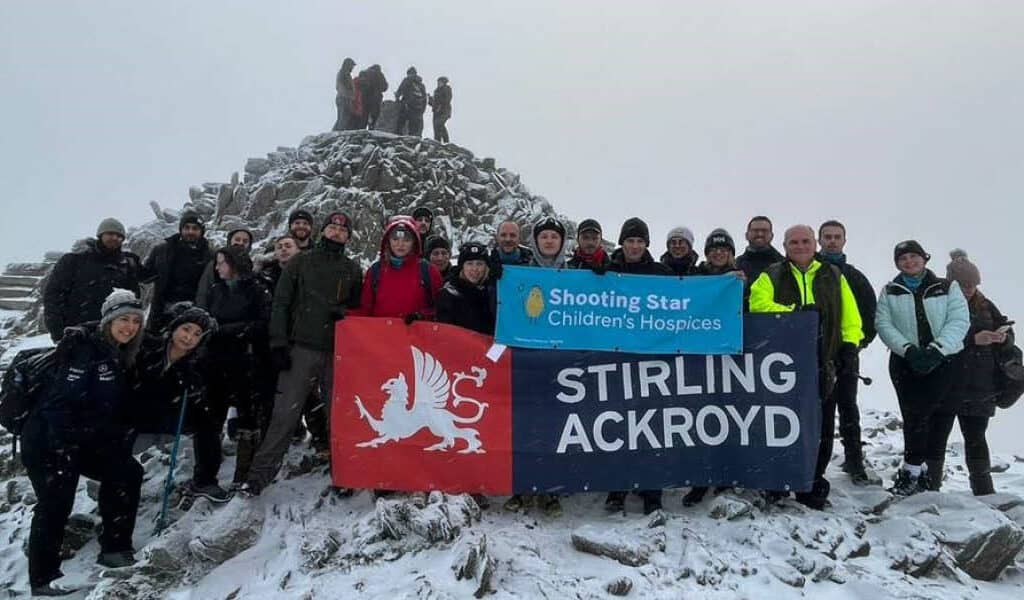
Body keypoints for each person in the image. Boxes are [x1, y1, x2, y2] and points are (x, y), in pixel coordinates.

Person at [21, 289, 145, 596]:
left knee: (126, 471)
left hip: (78, 439)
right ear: (108, 320)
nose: (129, 326)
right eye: (122, 319)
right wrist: (68, 447)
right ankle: (43, 579)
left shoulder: (116, 351)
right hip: (47, 440)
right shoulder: (84, 350)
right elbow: (57, 406)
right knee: (55, 503)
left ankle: (115, 548)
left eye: (134, 321)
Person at [241, 212, 363, 497]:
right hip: (301, 348)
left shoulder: (353, 269)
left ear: (348, 237)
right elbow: (281, 303)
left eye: (342, 230)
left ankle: (343, 473)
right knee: (284, 415)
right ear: (323, 231)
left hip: (336, 352)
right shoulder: (300, 262)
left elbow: (359, 309)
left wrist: (344, 313)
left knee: (340, 416)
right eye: (331, 228)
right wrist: (279, 344)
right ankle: (258, 477)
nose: (336, 233)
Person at [749, 225, 864, 509]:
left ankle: (811, 480)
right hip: (781, 367)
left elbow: (851, 316)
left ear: (815, 245)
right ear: (785, 246)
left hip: (824, 364)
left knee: (821, 426)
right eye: (794, 242)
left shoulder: (834, 276)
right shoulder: (772, 274)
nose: (800, 246)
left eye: (805, 241)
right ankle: (778, 480)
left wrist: (850, 345)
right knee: (781, 423)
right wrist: (794, 315)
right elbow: (757, 304)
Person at [875, 240, 970, 496]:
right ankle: (913, 470)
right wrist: (908, 349)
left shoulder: (947, 287)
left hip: (944, 360)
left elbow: (959, 320)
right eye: (903, 258)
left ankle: (924, 472)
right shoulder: (890, 290)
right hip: (905, 362)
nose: (909, 262)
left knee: (937, 417)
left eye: (913, 256)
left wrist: (937, 350)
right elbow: (883, 324)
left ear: (924, 259)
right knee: (914, 415)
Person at [603, 218, 672, 515]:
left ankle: (651, 489)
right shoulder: (606, 272)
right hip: (615, 359)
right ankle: (617, 487)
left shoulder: (662, 274)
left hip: (652, 360)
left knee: (651, 425)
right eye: (629, 241)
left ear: (646, 244)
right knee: (618, 424)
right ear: (622, 243)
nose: (634, 246)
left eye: (639, 241)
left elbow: (689, 301)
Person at [930, 250, 1012, 495]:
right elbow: (936, 337)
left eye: (973, 284)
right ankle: (930, 488)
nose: (969, 289)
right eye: (964, 284)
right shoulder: (939, 302)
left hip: (980, 386)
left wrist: (1003, 336)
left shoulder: (986, 304)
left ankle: (984, 490)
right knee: (937, 436)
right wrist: (973, 339)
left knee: (976, 438)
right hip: (947, 384)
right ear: (952, 282)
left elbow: (1005, 329)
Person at [503, 215, 570, 516]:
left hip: (560, 361)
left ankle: (551, 490)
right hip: (526, 358)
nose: (549, 241)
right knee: (523, 424)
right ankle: (521, 487)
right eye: (544, 236)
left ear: (561, 242)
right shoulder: (519, 273)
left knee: (555, 426)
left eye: (554, 237)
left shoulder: (575, 275)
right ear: (535, 240)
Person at [197, 246, 272, 494]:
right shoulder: (215, 290)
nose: (217, 268)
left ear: (234, 264)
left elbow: (263, 323)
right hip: (216, 362)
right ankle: (205, 478)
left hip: (247, 361)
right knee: (210, 421)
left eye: (221, 263)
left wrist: (227, 330)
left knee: (247, 420)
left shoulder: (256, 289)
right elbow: (206, 320)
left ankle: (244, 475)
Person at [681, 228, 746, 507]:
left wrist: (741, 289)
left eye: (724, 249)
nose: (718, 253)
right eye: (713, 249)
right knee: (698, 420)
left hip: (730, 357)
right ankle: (699, 479)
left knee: (727, 418)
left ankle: (725, 475)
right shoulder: (694, 279)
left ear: (731, 253)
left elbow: (752, 313)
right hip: (697, 358)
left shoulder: (741, 279)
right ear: (706, 253)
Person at [817, 220, 878, 484]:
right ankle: (817, 463)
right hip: (816, 354)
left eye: (836, 237)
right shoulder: (810, 271)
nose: (831, 241)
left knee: (848, 407)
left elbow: (869, 315)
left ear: (844, 240)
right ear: (820, 240)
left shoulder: (855, 277)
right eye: (827, 237)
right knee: (822, 410)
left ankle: (855, 461)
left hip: (847, 355)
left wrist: (856, 345)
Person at [43, 218, 141, 342]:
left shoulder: (126, 266)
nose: (115, 238)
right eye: (110, 234)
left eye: (119, 236)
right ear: (100, 235)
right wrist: (57, 331)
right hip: (77, 333)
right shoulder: (74, 261)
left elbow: (133, 299)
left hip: (113, 335)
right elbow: (53, 296)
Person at [133, 304, 213, 452]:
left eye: (197, 334)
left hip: (159, 434)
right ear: (174, 328)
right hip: (125, 423)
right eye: (186, 329)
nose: (189, 338)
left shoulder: (194, 371)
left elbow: (199, 416)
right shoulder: (146, 348)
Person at [352, 217, 443, 321]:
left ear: (414, 242)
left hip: (417, 335)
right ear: (388, 241)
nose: (400, 244)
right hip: (381, 335)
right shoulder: (375, 271)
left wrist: (422, 316)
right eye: (395, 239)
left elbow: (441, 309)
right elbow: (365, 310)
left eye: (407, 240)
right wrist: (343, 316)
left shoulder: (428, 271)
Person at [140, 211, 214, 333]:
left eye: (195, 228)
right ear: (181, 229)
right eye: (187, 228)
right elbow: (146, 276)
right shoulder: (162, 250)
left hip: (194, 312)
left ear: (201, 231)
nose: (190, 232)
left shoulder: (210, 255)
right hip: (162, 311)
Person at [436, 242, 495, 335]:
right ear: (462, 267)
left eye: (479, 264)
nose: (474, 269)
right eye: (469, 264)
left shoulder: (492, 292)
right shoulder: (449, 294)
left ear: (486, 267)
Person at [195, 227, 253, 307]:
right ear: (230, 242)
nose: (241, 243)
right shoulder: (215, 264)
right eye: (237, 239)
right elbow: (203, 291)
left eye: (245, 241)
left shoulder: (251, 266)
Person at [736, 216, 785, 283]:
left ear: (772, 236)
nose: (760, 234)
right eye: (755, 231)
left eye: (764, 231)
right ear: (746, 235)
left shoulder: (784, 264)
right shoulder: (736, 266)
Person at [394, 66, 428, 137]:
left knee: (400, 122)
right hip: (418, 107)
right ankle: (412, 139)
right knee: (413, 126)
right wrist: (422, 110)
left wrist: (397, 99)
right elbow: (425, 98)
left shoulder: (407, 80)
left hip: (407, 105)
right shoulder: (421, 85)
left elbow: (400, 90)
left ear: (409, 73)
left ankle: (397, 136)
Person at [358, 64, 388, 130]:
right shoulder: (379, 74)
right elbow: (385, 87)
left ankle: (361, 128)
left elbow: (359, 85)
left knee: (364, 114)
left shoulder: (363, 73)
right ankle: (371, 127)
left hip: (365, 97)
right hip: (376, 98)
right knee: (374, 114)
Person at [334, 57, 357, 131]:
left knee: (345, 117)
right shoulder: (342, 73)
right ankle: (338, 133)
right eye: (352, 65)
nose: (352, 67)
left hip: (346, 98)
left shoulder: (347, 74)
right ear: (347, 65)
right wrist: (348, 95)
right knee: (343, 117)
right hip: (343, 98)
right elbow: (339, 86)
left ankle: (337, 132)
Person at [430, 76, 452, 143]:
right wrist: (430, 100)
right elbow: (434, 103)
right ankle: (437, 141)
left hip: (444, 110)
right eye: (438, 82)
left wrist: (439, 104)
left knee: (439, 124)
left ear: (444, 82)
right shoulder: (436, 91)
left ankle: (446, 142)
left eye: (440, 82)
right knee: (436, 127)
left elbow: (447, 100)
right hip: (436, 112)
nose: (438, 83)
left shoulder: (446, 89)